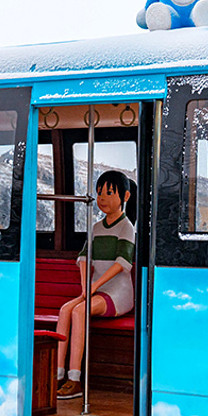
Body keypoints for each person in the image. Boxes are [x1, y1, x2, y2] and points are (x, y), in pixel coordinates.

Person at [56, 170, 135, 399]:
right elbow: (84, 258)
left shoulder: (126, 227)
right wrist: (85, 286)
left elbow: (122, 263)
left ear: (125, 196)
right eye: (100, 192)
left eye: (109, 192)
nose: (102, 198)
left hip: (119, 292)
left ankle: (74, 378)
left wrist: (94, 286)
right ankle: (57, 373)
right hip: (96, 290)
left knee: (79, 311)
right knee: (65, 310)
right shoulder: (96, 228)